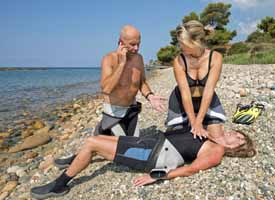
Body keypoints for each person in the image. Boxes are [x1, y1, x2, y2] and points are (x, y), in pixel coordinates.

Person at [31, 127, 255, 199]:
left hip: (152, 155)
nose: (233, 133)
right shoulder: (212, 137)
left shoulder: (216, 151)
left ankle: (59, 185)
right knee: (103, 140)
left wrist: (157, 175)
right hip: (153, 142)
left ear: (236, 149)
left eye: (238, 138)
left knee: (92, 143)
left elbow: (190, 169)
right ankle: (75, 160)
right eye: (236, 132)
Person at [54, 25, 165, 169]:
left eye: (139, 44)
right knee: (122, 148)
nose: (136, 48)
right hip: (113, 112)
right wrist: (122, 63)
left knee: (128, 146)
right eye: (132, 44)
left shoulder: (139, 58)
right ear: (121, 42)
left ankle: (81, 153)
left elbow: (141, 82)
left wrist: (150, 96)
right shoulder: (109, 59)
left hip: (131, 111)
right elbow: (106, 89)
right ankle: (74, 159)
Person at [165, 20, 227, 144]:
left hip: (206, 100)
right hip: (182, 102)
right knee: (184, 140)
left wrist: (199, 122)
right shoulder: (179, 60)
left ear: (195, 42)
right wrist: (194, 123)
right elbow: (185, 94)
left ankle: (204, 124)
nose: (180, 46)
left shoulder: (215, 58)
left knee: (217, 138)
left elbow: (209, 90)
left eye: (182, 43)